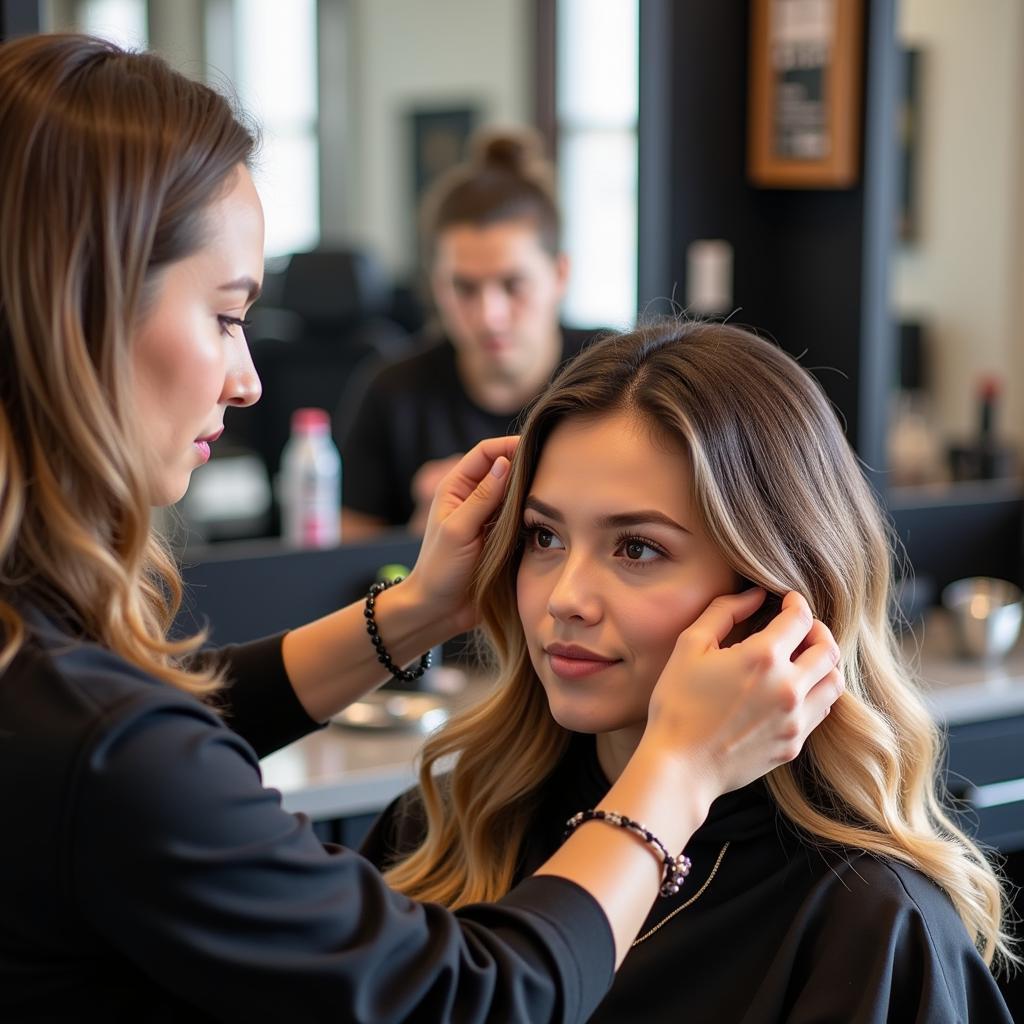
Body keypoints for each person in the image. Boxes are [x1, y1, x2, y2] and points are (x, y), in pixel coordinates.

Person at [0, 35, 845, 1022]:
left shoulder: (48, 686)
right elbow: (476, 1001)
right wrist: (677, 775)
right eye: (228, 317)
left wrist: (413, 612)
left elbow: (147, 745)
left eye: (637, 544)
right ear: (84, 313)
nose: (248, 378)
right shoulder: (96, 739)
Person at [361, 320, 1018, 1022]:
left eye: (637, 549)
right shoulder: (445, 831)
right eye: (543, 536)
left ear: (772, 592)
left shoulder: (868, 925)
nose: (565, 598)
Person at [335, 127, 600, 538]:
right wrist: (422, 541)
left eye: (513, 285)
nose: (489, 316)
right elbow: (346, 567)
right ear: (437, 285)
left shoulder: (615, 377)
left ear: (559, 275)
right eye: (464, 288)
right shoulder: (391, 393)